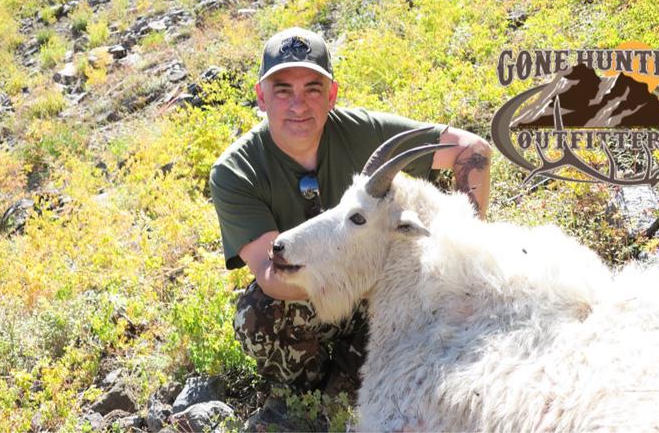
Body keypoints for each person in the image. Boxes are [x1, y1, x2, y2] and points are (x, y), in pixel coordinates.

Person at [209, 27, 491, 396]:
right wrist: (355, 275)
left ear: (332, 96)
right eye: (283, 90)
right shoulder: (235, 172)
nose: (298, 105)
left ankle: (371, 375)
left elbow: (472, 148)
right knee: (259, 316)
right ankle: (317, 393)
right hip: (316, 286)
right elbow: (270, 274)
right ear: (261, 97)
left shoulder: (364, 134)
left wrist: (460, 244)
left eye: (313, 89)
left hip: (384, 285)